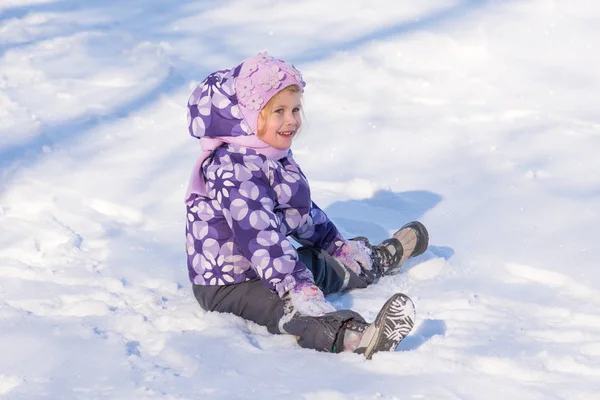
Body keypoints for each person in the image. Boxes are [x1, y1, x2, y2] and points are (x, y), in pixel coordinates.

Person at [184, 52, 429, 359]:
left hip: (267, 267)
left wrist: (338, 246)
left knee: (317, 263)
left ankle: (369, 262)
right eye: (279, 111)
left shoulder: (271, 157)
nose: (291, 121)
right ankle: (355, 336)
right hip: (228, 284)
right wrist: (296, 285)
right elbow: (260, 236)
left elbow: (300, 214)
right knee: (290, 306)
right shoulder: (231, 169)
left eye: (295, 109)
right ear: (246, 117)